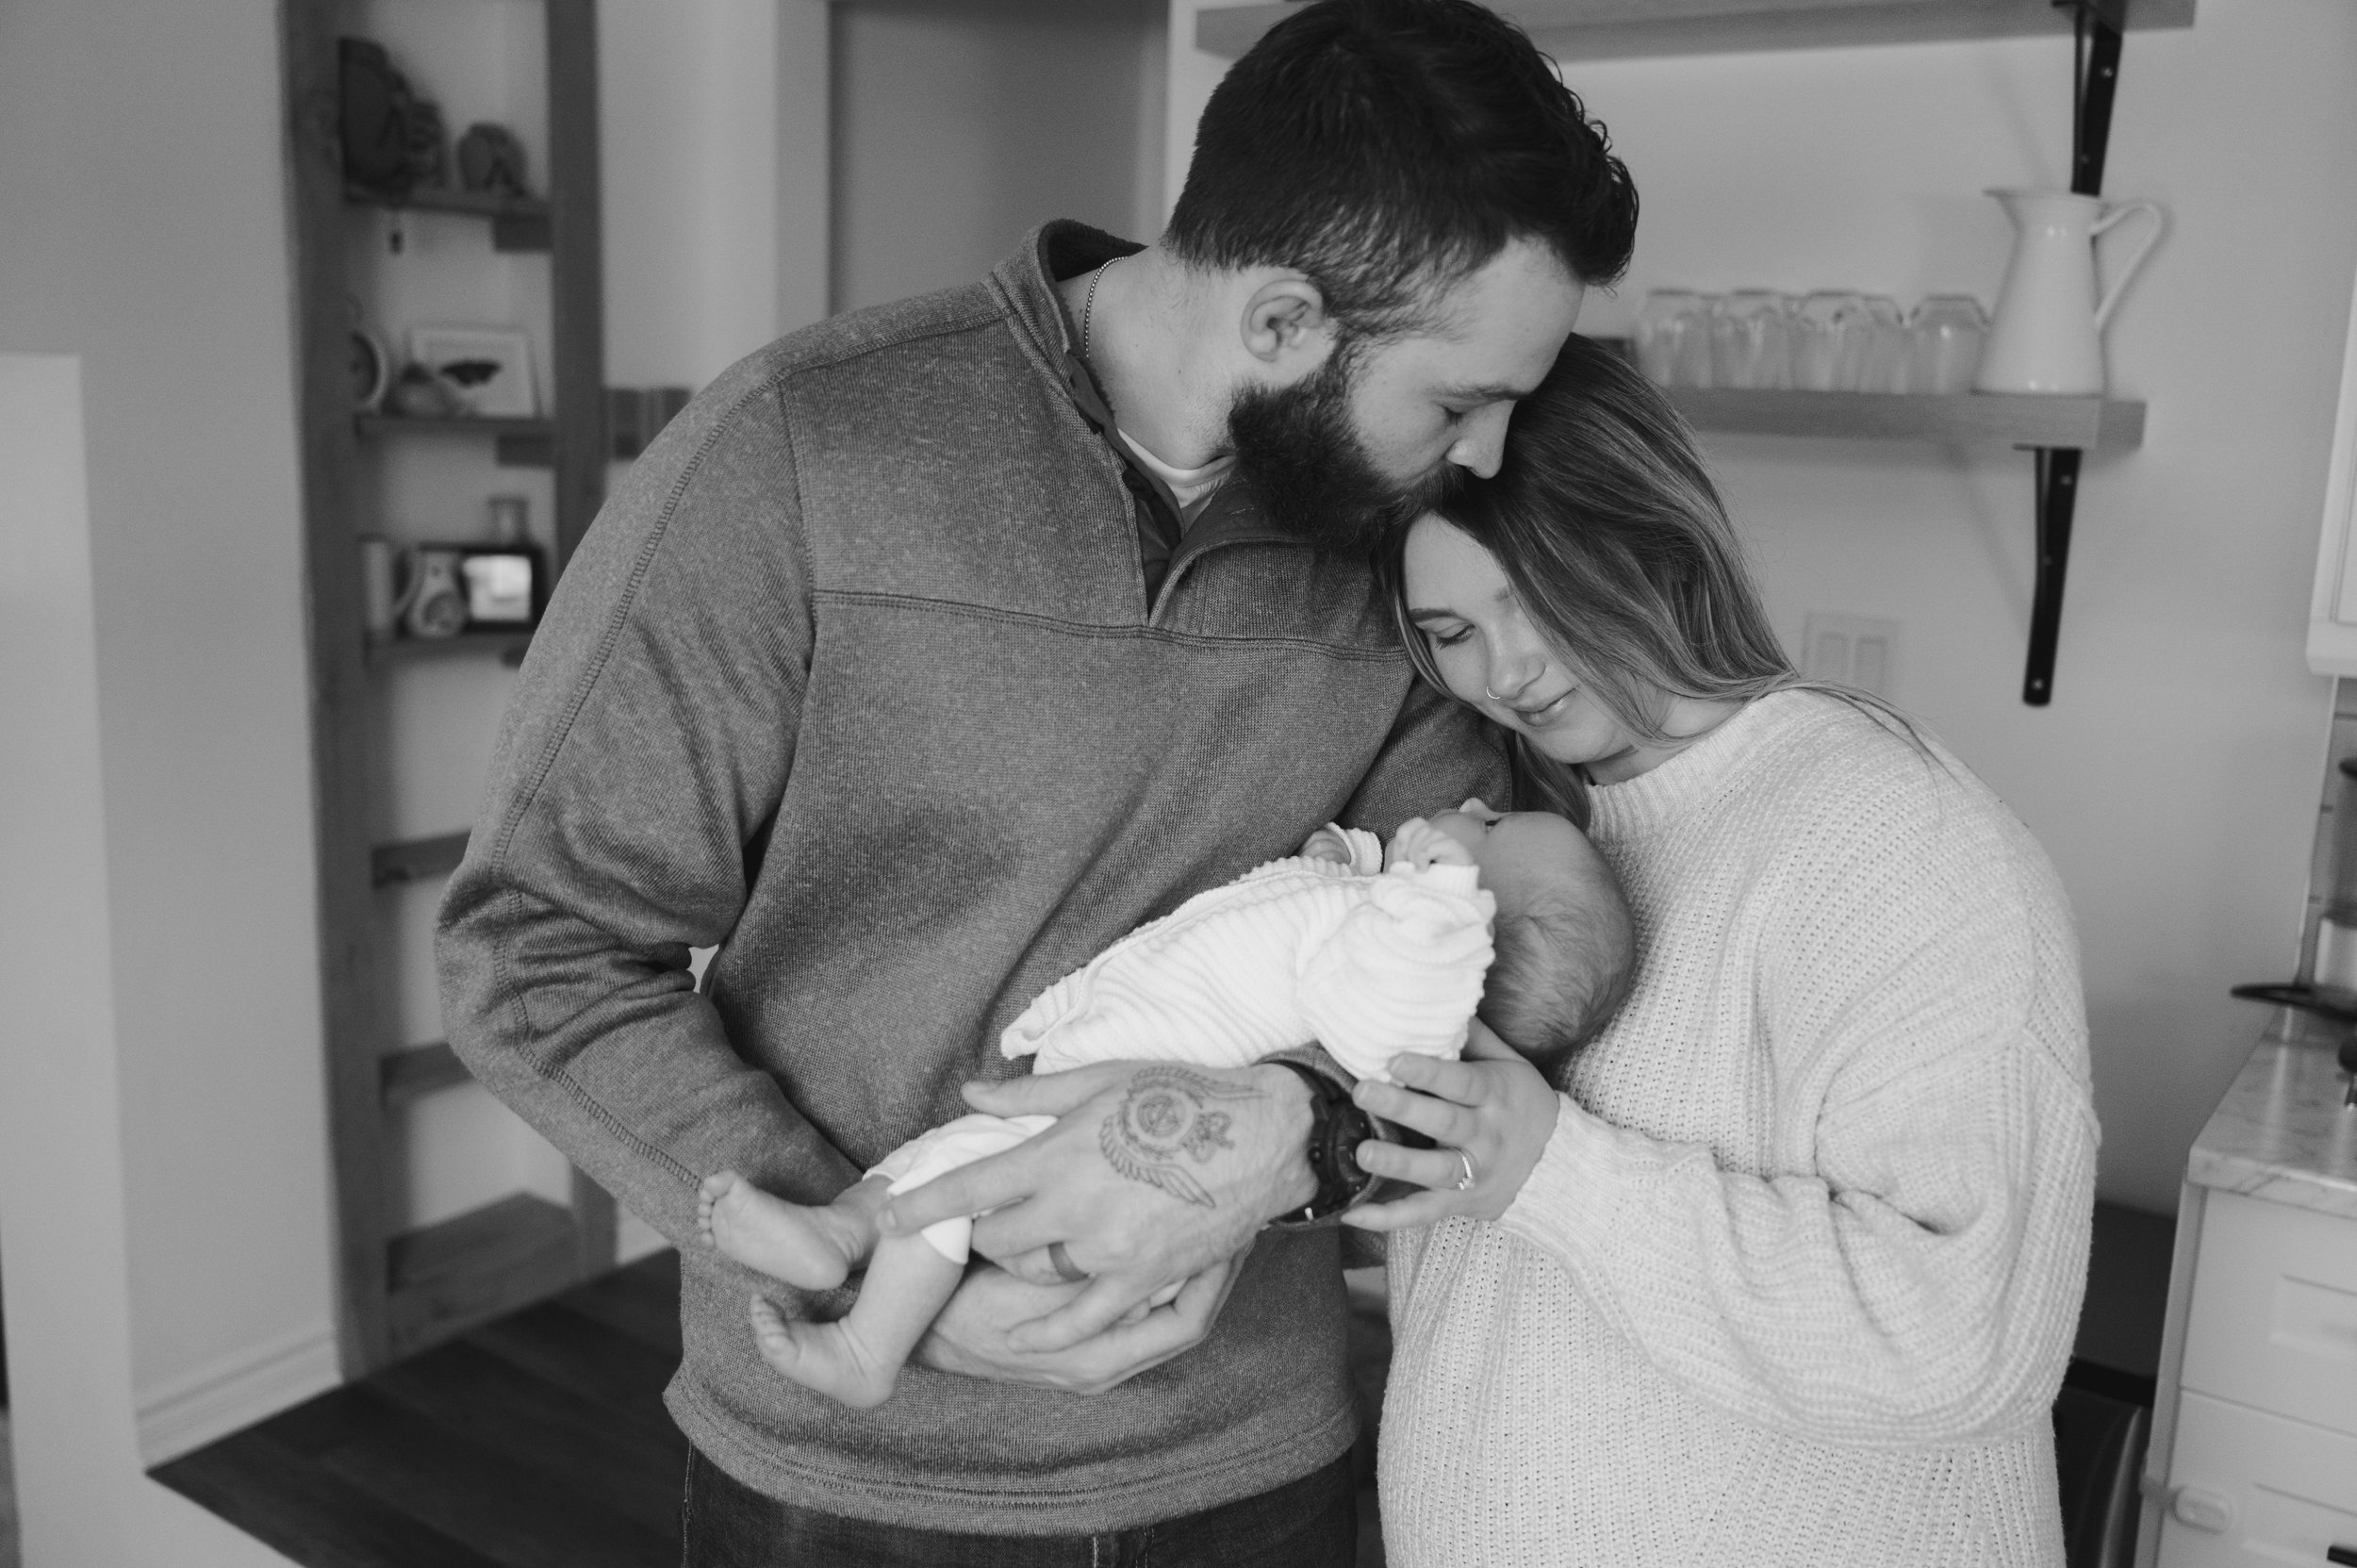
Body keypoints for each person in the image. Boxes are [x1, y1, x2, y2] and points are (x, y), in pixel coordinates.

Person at [432, 0, 1639, 1559]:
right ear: (1283, 324)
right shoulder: (797, 453)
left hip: (1248, 1460)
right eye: (1461, 400)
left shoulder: (1393, 555)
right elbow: (534, 946)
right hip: (847, 1470)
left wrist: (1294, 1134)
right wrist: (872, 1264)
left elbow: (1464, 952)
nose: (1482, 459)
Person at [1330, 334, 2096, 1567]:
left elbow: (1959, 1333)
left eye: (1533, 598)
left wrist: (1554, 1168)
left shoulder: (1887, 833)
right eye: (1451, 629)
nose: (1506, 669)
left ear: (1652, 537)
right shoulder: (1519, 845)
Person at [697, 809, 1632, 1410]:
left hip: (1116, 1125)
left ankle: (870, 1344)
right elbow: (1305, 892)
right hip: (1094, 1076)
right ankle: (841, 1229)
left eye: (1492, 824)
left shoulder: (1413, 953)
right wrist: (1349, 857)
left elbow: (1386, 1022)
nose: (1471, 803)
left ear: (1470, 922)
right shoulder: (1377, 897)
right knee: (948, 1156)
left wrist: (1428, 907)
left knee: (959, 1183)